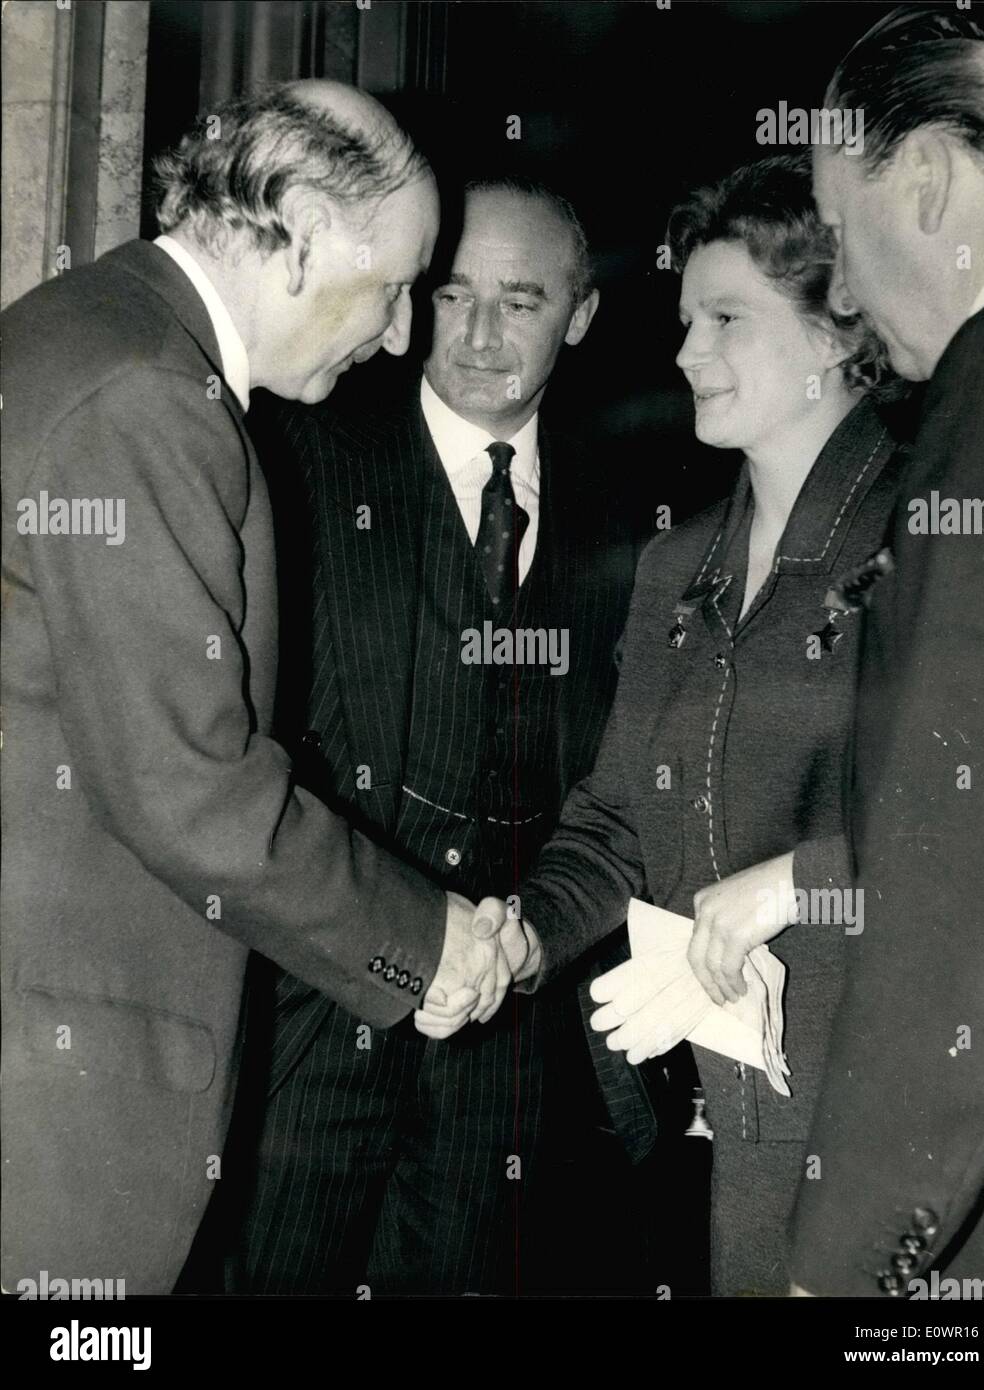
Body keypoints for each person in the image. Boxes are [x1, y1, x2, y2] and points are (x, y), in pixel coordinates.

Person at [0, 81, 524, 1295]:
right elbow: (188, 789)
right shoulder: (142, 392)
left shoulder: (96, 332)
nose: (401, 334)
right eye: (394, 284)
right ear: (288, 220)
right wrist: (424, 940)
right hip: (49, 1108)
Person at [426, 153, 909, 1296]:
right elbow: (615, 822)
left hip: (894, 1106)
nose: (686, 352)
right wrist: (525, 934)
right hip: (725, 1121)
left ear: (843, 328)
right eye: (687, 319)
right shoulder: (674, 562)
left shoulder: (932, 535)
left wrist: (798, 879)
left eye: (726, 319)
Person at [233, 178, 641, 1295]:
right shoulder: (300, 458)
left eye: (519, 301)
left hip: (510, 1041)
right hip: (312, 1013)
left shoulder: (638, 510)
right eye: (453, 294)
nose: (477, 334)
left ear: (583, 313)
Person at [787, 6, 984, 1297]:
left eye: (834, 225)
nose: (834, 283)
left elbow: (973, 907)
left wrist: (841, 1271)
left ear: (925, 178)